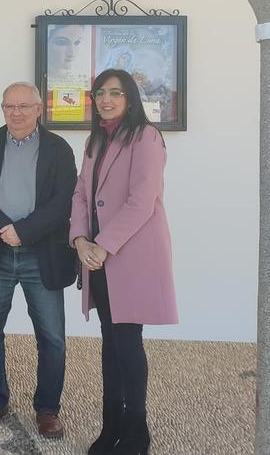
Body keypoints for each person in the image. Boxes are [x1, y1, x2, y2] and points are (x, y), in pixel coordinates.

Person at [70, 69, 178, 455]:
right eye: (100, 93)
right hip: (96, 258)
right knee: (110, 343)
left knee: (128, 343)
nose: (106, 99)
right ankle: (110, 425)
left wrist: (102, 245)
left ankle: (136, 433)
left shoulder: (146, 137)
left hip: (128, 257)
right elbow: (81, 194)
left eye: (114, 93)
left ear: (130, 98)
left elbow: (141, 200)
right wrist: (80, 239)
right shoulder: (96, 139)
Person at [0, 81, 77, 438]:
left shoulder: (59, 149)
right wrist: (3, 228)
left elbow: (63, 202)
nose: (16, 113)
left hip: (39, 253)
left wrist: (24, 232)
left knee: (52, 336)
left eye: (24, 106)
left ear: (39, 109)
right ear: (2, 109)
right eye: (9, 106)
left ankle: (47, 408)